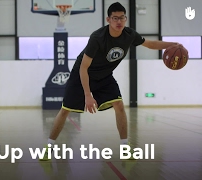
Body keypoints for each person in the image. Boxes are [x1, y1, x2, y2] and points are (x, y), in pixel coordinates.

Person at [40, 2, 185, 161]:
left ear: (126, 18)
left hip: (104, 76)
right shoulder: (98, 38)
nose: (119, 22)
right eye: (115, 18)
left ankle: (125, 147)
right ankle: (49, 147)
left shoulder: (129, 35)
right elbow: (83, 68)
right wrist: (88, 95)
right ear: (108, 19)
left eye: (121, 18)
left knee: (119, 105)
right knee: (65, 110)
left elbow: (150, 44)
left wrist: (172, 45)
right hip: (81, 75)